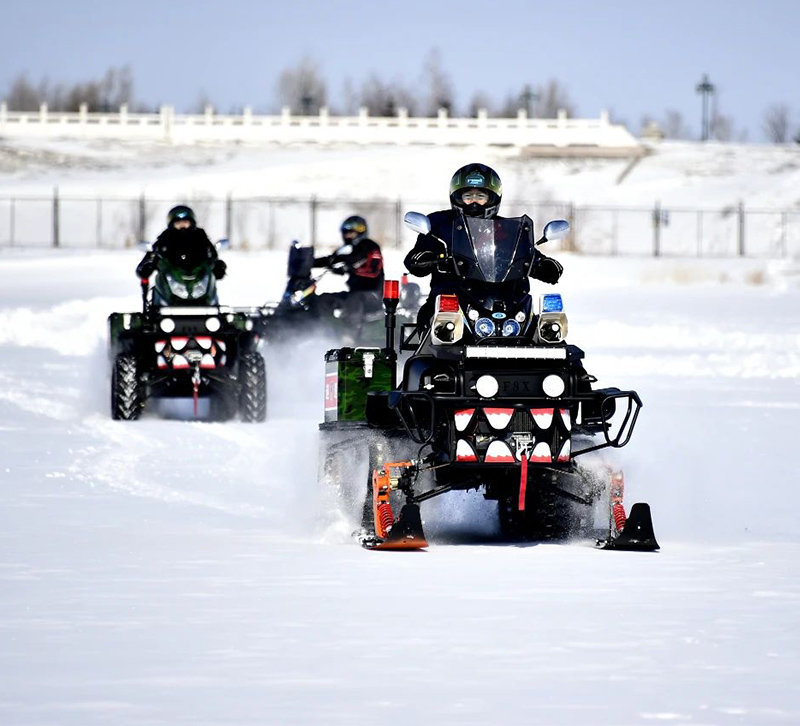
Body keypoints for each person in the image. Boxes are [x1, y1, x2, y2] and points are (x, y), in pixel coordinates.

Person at [404, 163, 563, 326]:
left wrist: (542, 264)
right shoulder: (440, 224)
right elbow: (414, 257)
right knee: (428, 318)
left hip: (505, 302)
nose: (474, 202)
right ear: (457, 197)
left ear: (492, 199)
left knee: (546, 330)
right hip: (451, 301)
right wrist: (424, 259)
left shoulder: (505, 229)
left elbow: (522, 252)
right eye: (468, 196)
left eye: (480, 196)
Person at [312, 215, 384, 320]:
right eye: (346, 233)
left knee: (353, 301)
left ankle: (349, 335)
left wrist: (346, 265)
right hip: (353, 293)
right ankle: (321, 331)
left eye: (352, 233)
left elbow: (358, 260)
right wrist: (309, 262)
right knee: (324, 299)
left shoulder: (370, 246)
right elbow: (331, 259)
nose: (349, 236)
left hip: (372, 295)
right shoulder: (347, 249)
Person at [136, 205, 227, 282]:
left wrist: (218, 266)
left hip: (198, 281)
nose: (182, 225)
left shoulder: (200, 237)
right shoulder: (165, 238)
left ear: (191, 223)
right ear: (172, 224)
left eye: (185, 222)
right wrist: (148, 266)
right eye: (178, 223)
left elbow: (211, 255)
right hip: (171, 282)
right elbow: (152, 256)